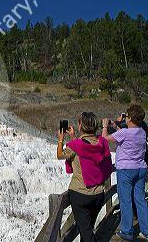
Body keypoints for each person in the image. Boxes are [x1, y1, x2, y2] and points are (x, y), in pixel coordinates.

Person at [57, 112, 113, 242]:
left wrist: (61, 139)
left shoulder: (75, 146)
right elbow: (84, 149)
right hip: (98, 194)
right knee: (87, 229)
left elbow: (60, 155)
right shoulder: (102, 142)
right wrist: (73, 138)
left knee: (87, 233)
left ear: (80, 125)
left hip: (80, 194)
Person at [102, 104, 148, 241]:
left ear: (129, 118)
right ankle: (146, 230)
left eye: (127, 116)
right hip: (141, 169)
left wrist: (105, 127)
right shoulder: (142, 132)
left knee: (126, 200)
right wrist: (116, 126)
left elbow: (104, 140)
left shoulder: (125, 133)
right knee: (140, 200)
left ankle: (127, 231)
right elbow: (124, 134)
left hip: (126, 170)